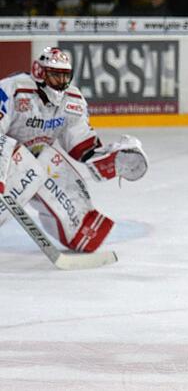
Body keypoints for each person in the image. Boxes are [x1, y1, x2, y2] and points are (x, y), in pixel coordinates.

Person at [0, 47, 148, 253]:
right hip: (6, 160)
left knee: (82, 229)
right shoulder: (12, 89)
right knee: (24, 163)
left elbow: (82, 144)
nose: (60, 83)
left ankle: (78, 227)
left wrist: (110, 158)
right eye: (54, 75)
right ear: (39, 72)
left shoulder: (72, 101)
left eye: (64, 77)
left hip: (37, 160)